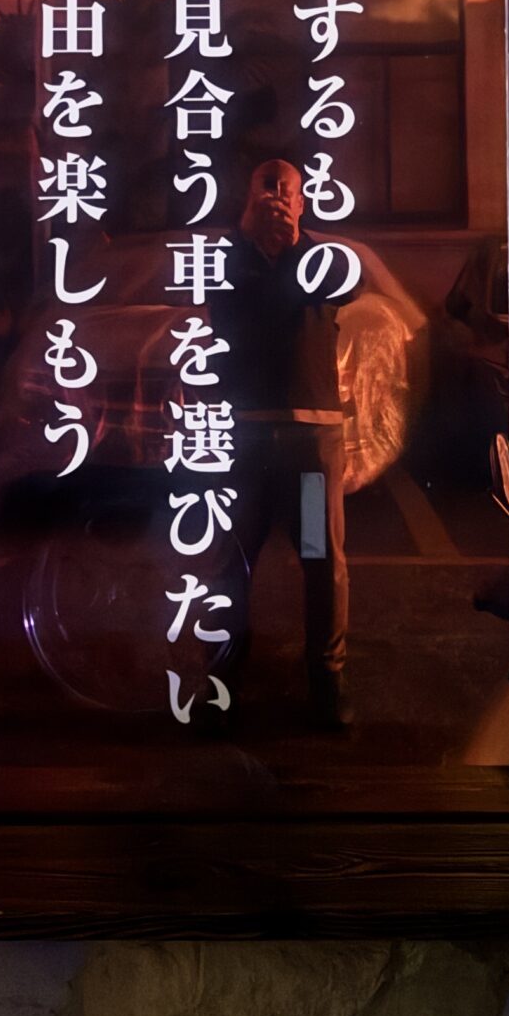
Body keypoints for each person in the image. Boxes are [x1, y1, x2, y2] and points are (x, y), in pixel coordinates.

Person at [221, 158, 353, 731]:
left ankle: (326, 679)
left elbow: (346, 284)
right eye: (265, 188)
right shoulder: (226, 258)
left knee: (321, 560)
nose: (277, 198)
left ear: (302, 203)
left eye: (286, 191)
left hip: (309, 435)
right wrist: (245, 236)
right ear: (247, 198)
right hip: (245, 435)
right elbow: (222, 306)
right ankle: (223, 677)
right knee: (232, 559)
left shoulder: (322, 257)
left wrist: (295, 245)